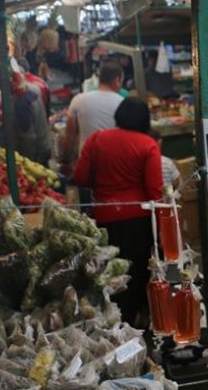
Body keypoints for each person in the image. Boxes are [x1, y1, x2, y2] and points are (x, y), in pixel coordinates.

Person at [73, 97, 163, 326]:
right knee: (134, 276)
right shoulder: (147, 144)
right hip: (137, 222)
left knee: (107, 274)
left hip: (104, 219)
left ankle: (108, 323)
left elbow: (81, 177)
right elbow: (155, 191)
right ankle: (130, 325)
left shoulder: (96, 139)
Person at [60, 61, 125, 173]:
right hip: (115, 164)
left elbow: (70, 135)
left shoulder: (79, 100)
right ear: (117, 80)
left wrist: (65, 161)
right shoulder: (123, 103)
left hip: (87, 163)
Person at [148, 129, 181, 193]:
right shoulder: (167, 162)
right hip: (166, 197)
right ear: (160, 142)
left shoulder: (139, 163)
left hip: (148, 200)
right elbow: (178, 182)